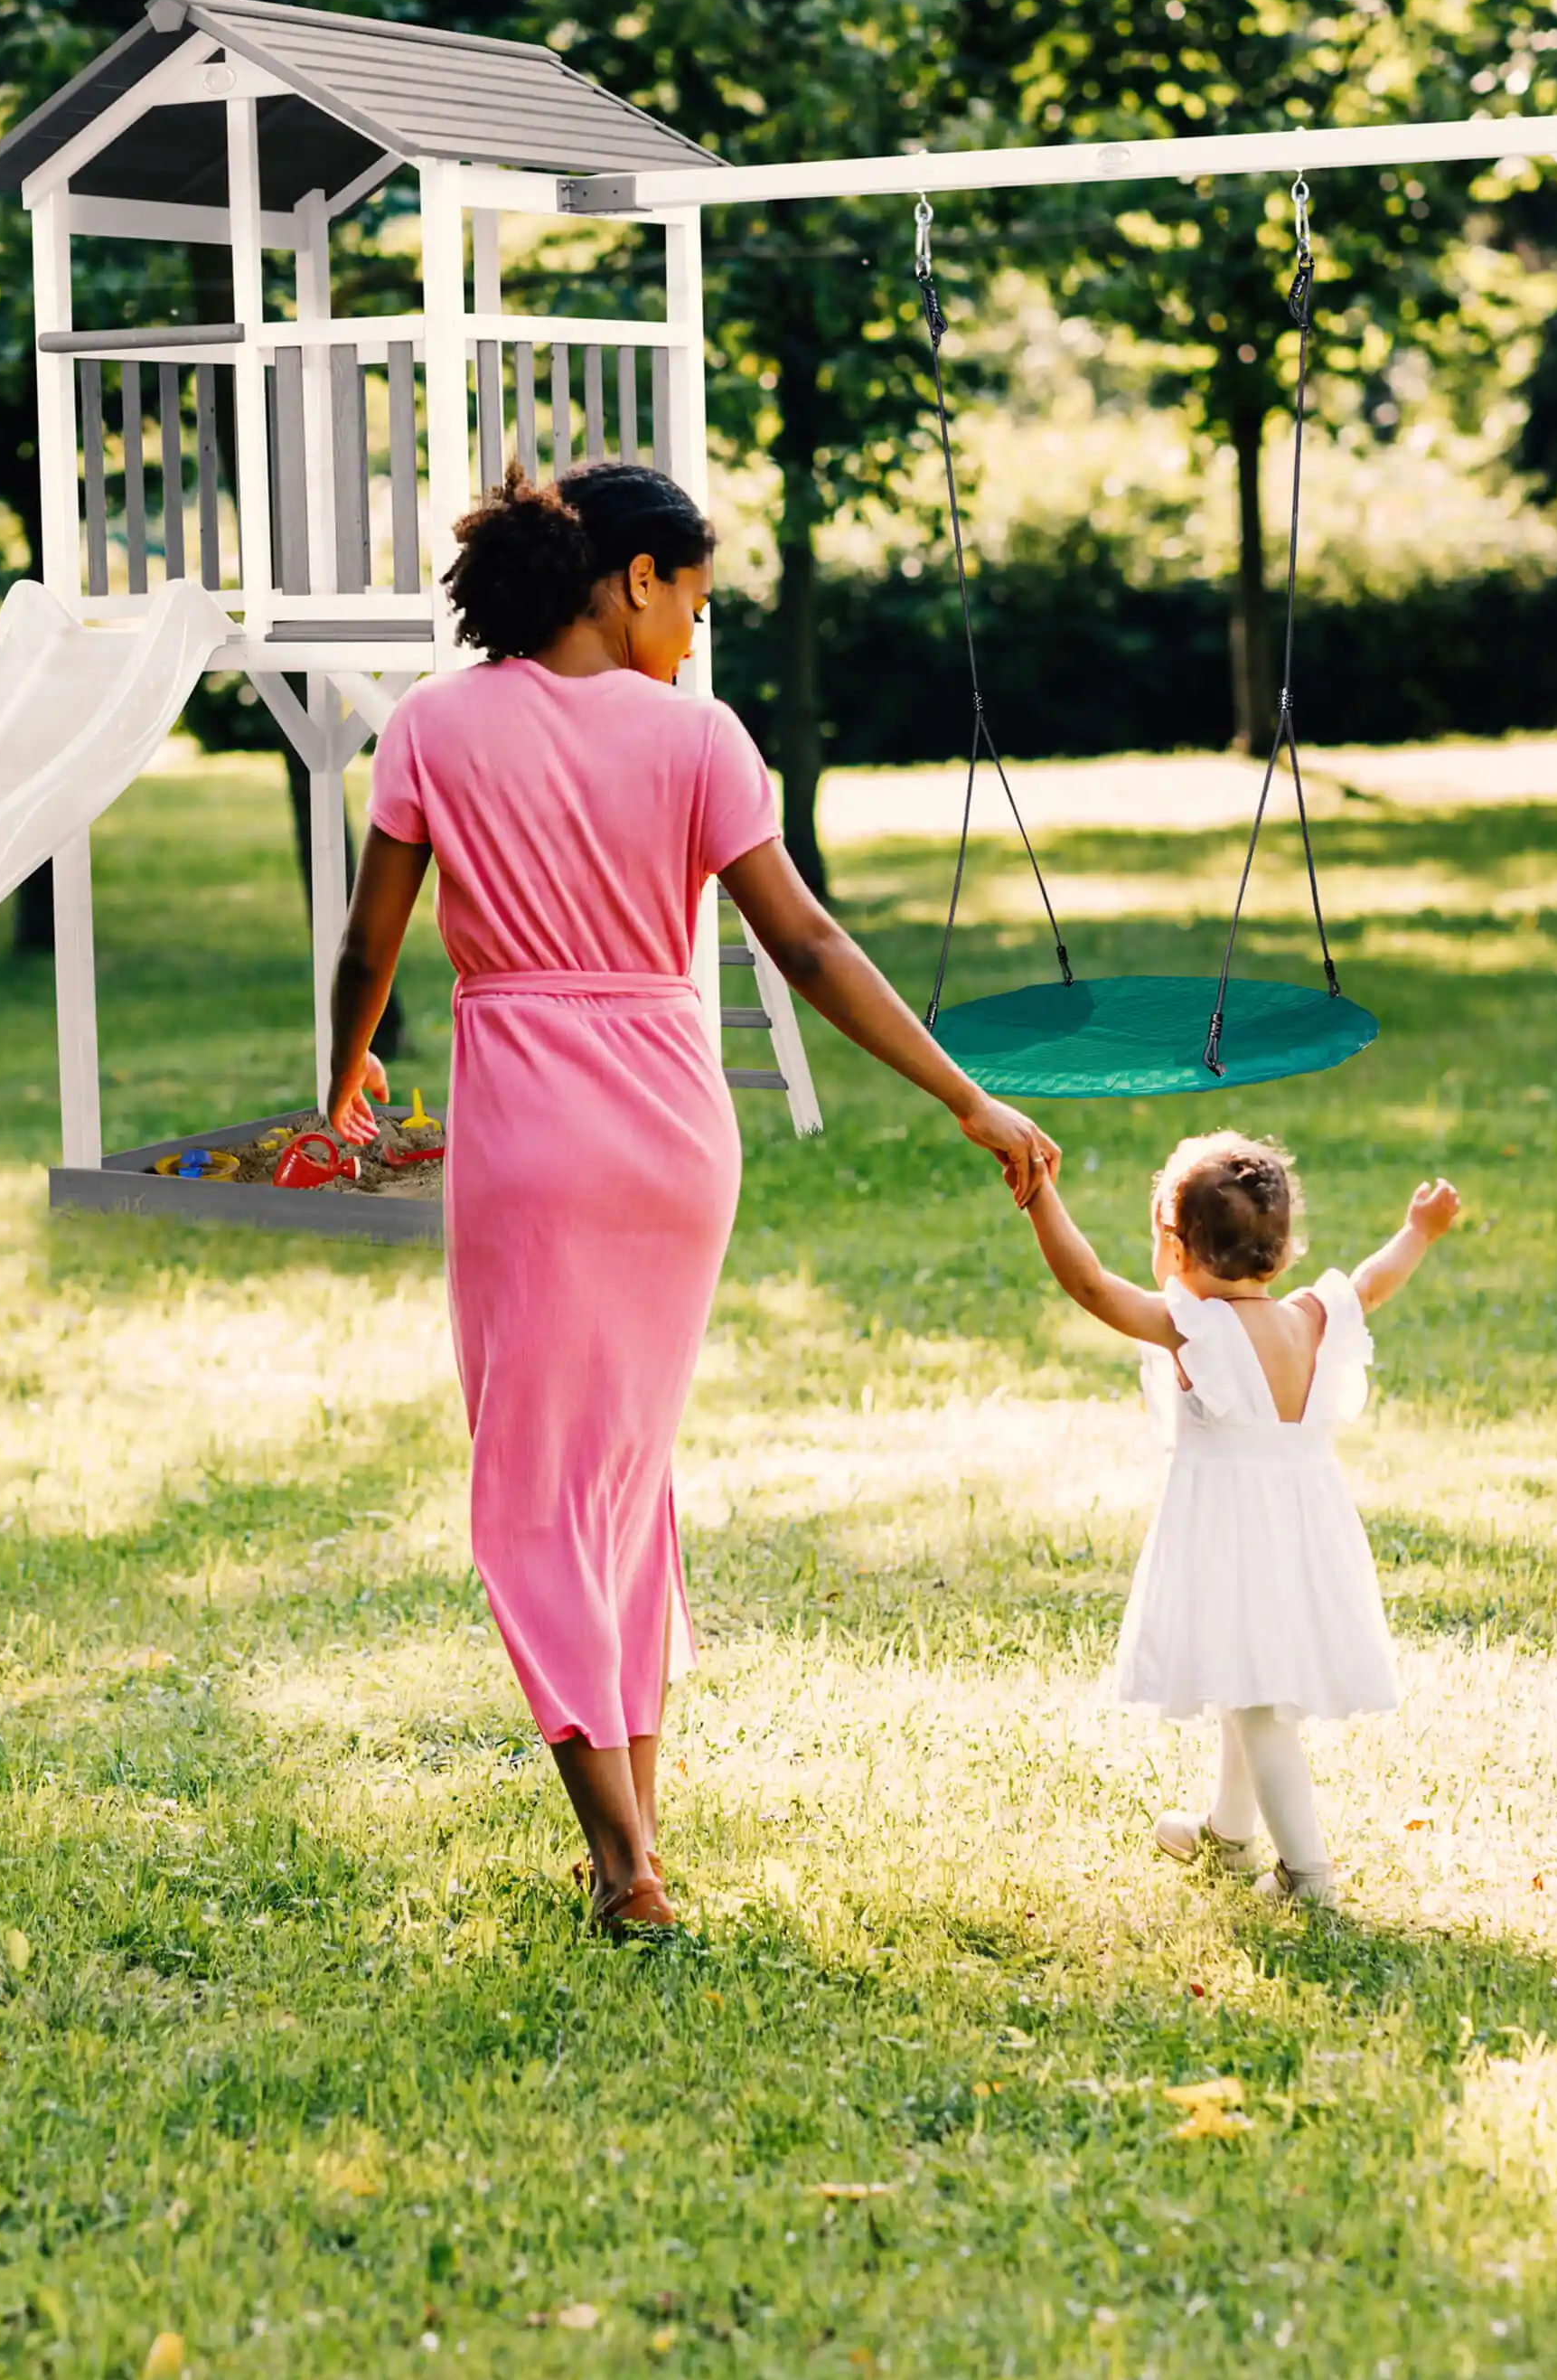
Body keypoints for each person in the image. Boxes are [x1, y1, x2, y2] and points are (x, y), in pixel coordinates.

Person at [323, 461, 1060, 1939]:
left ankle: (621, 1863)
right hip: (672, 1133)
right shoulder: (700, 740)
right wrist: (964, 1092)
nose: (695, 636)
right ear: (634, 578)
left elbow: (370, 944)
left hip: (530, 1132)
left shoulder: (433, 727)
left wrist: (339, 1082)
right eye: (696, 603)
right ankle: (637, 1836)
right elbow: (807, 945)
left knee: (536, 1494)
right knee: (621, 1481)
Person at [1018, 1133, 1463, 1905]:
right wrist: (1417, 1232)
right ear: (1283, 1251)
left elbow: (1089, 1285)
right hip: (1303, 1530)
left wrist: (1039, 1196)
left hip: (1233, 1536)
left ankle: (1307, 1876)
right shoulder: (1313, 1317)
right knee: (1242, 1675)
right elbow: (1373, 1280)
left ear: (1177, 1248)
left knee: (1259, 1705)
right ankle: (1228, 1834)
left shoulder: (1195, 1329)